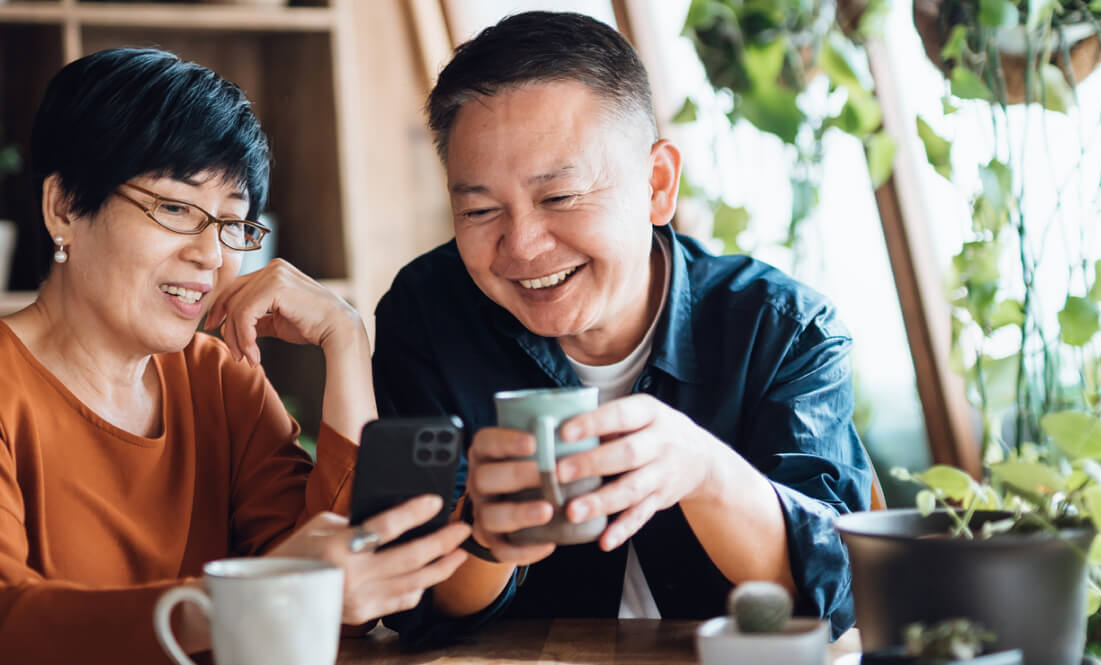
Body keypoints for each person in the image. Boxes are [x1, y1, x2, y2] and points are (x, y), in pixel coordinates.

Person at [0, 48, 470, 665]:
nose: (212, 255)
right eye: (176, 208)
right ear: (65, 208)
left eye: (234, 223)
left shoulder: (221, 382)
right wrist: (249, 599)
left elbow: (342, 609)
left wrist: (346, 340)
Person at [373, 11, 873, 644]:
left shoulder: (781, 330)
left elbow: (832, 596)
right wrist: (486, 540)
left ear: (657, 184)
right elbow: (407, 598)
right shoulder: (426, 318)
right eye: (479, 209)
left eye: (559, 198)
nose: (522, 246)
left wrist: (702, 470)